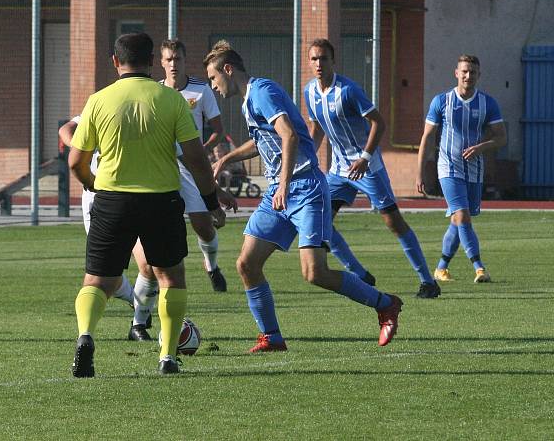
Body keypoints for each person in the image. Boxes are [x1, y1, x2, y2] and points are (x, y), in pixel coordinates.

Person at [207, 40, 403, 352]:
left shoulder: (262, 91)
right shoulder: (249, 100)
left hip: (305, 187)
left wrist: (283, 184)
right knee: (247, 263)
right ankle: (271, 336)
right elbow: (263, 141)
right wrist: (225, 160)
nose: (214, 86)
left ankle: (385, 304)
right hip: (279, 191)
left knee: (315, 272)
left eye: (214, 78)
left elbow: (288, 135)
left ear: (228, 70)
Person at [68, 33, 228, 377]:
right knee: (171, 278)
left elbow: (75, 161)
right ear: (153, 61)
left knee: (96, 280)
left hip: (111, 200)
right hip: (161, 201)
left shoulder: (98, 100)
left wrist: (91, 183)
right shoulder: (171, 100)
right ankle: (168, 357)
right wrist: (212, 200)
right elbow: (198, 159)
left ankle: (85, 337)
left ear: (115, 61)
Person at [303, 38, 440, 299]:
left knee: (393, 222)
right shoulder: (309, 92)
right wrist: (307, 156)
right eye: (314, 59)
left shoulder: (348, 90)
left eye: (323, 58)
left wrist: (365, 157)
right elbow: (317, 127)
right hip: (338, 170)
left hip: (368, 167)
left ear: (333, 61)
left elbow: (378, 122)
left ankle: (427, 281)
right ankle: (360, 274)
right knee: (322, 222)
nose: (318, 63)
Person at [59, 117, 156, 341]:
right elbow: (66, 129)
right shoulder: (105, 102)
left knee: (148, 264)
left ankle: (138, 326)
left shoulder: (152, 107)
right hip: (99, 199)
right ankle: (131, 302)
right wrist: (83, 147)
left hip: (139, 195)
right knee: (105, 274)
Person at [416, 55, 506, 283]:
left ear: (478, 75)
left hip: (475, 170)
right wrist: (419, 172)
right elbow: (427, 137)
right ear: (456, 73)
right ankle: (479, 268)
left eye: (473, 72)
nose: (468, 76)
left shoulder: (488, 103)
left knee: (459, 220)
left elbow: (501, 138)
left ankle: (441, 268)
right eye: (464, 71)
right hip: (448, 168)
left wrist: (480, 147)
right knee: (462, 214)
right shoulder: (441, 101)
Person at [160, 39, 229, 292]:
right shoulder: (156, 91)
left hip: (193, 168)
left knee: (203, 226)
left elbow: (218, 131)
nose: (173, 64)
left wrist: (200, 151)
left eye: (177, 58)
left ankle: (211, 266)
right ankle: (162, 279)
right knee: (165, 226)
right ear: (161, 63)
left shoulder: (201, 90)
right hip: (164, 168)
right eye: (168, 59)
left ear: (184, 60)